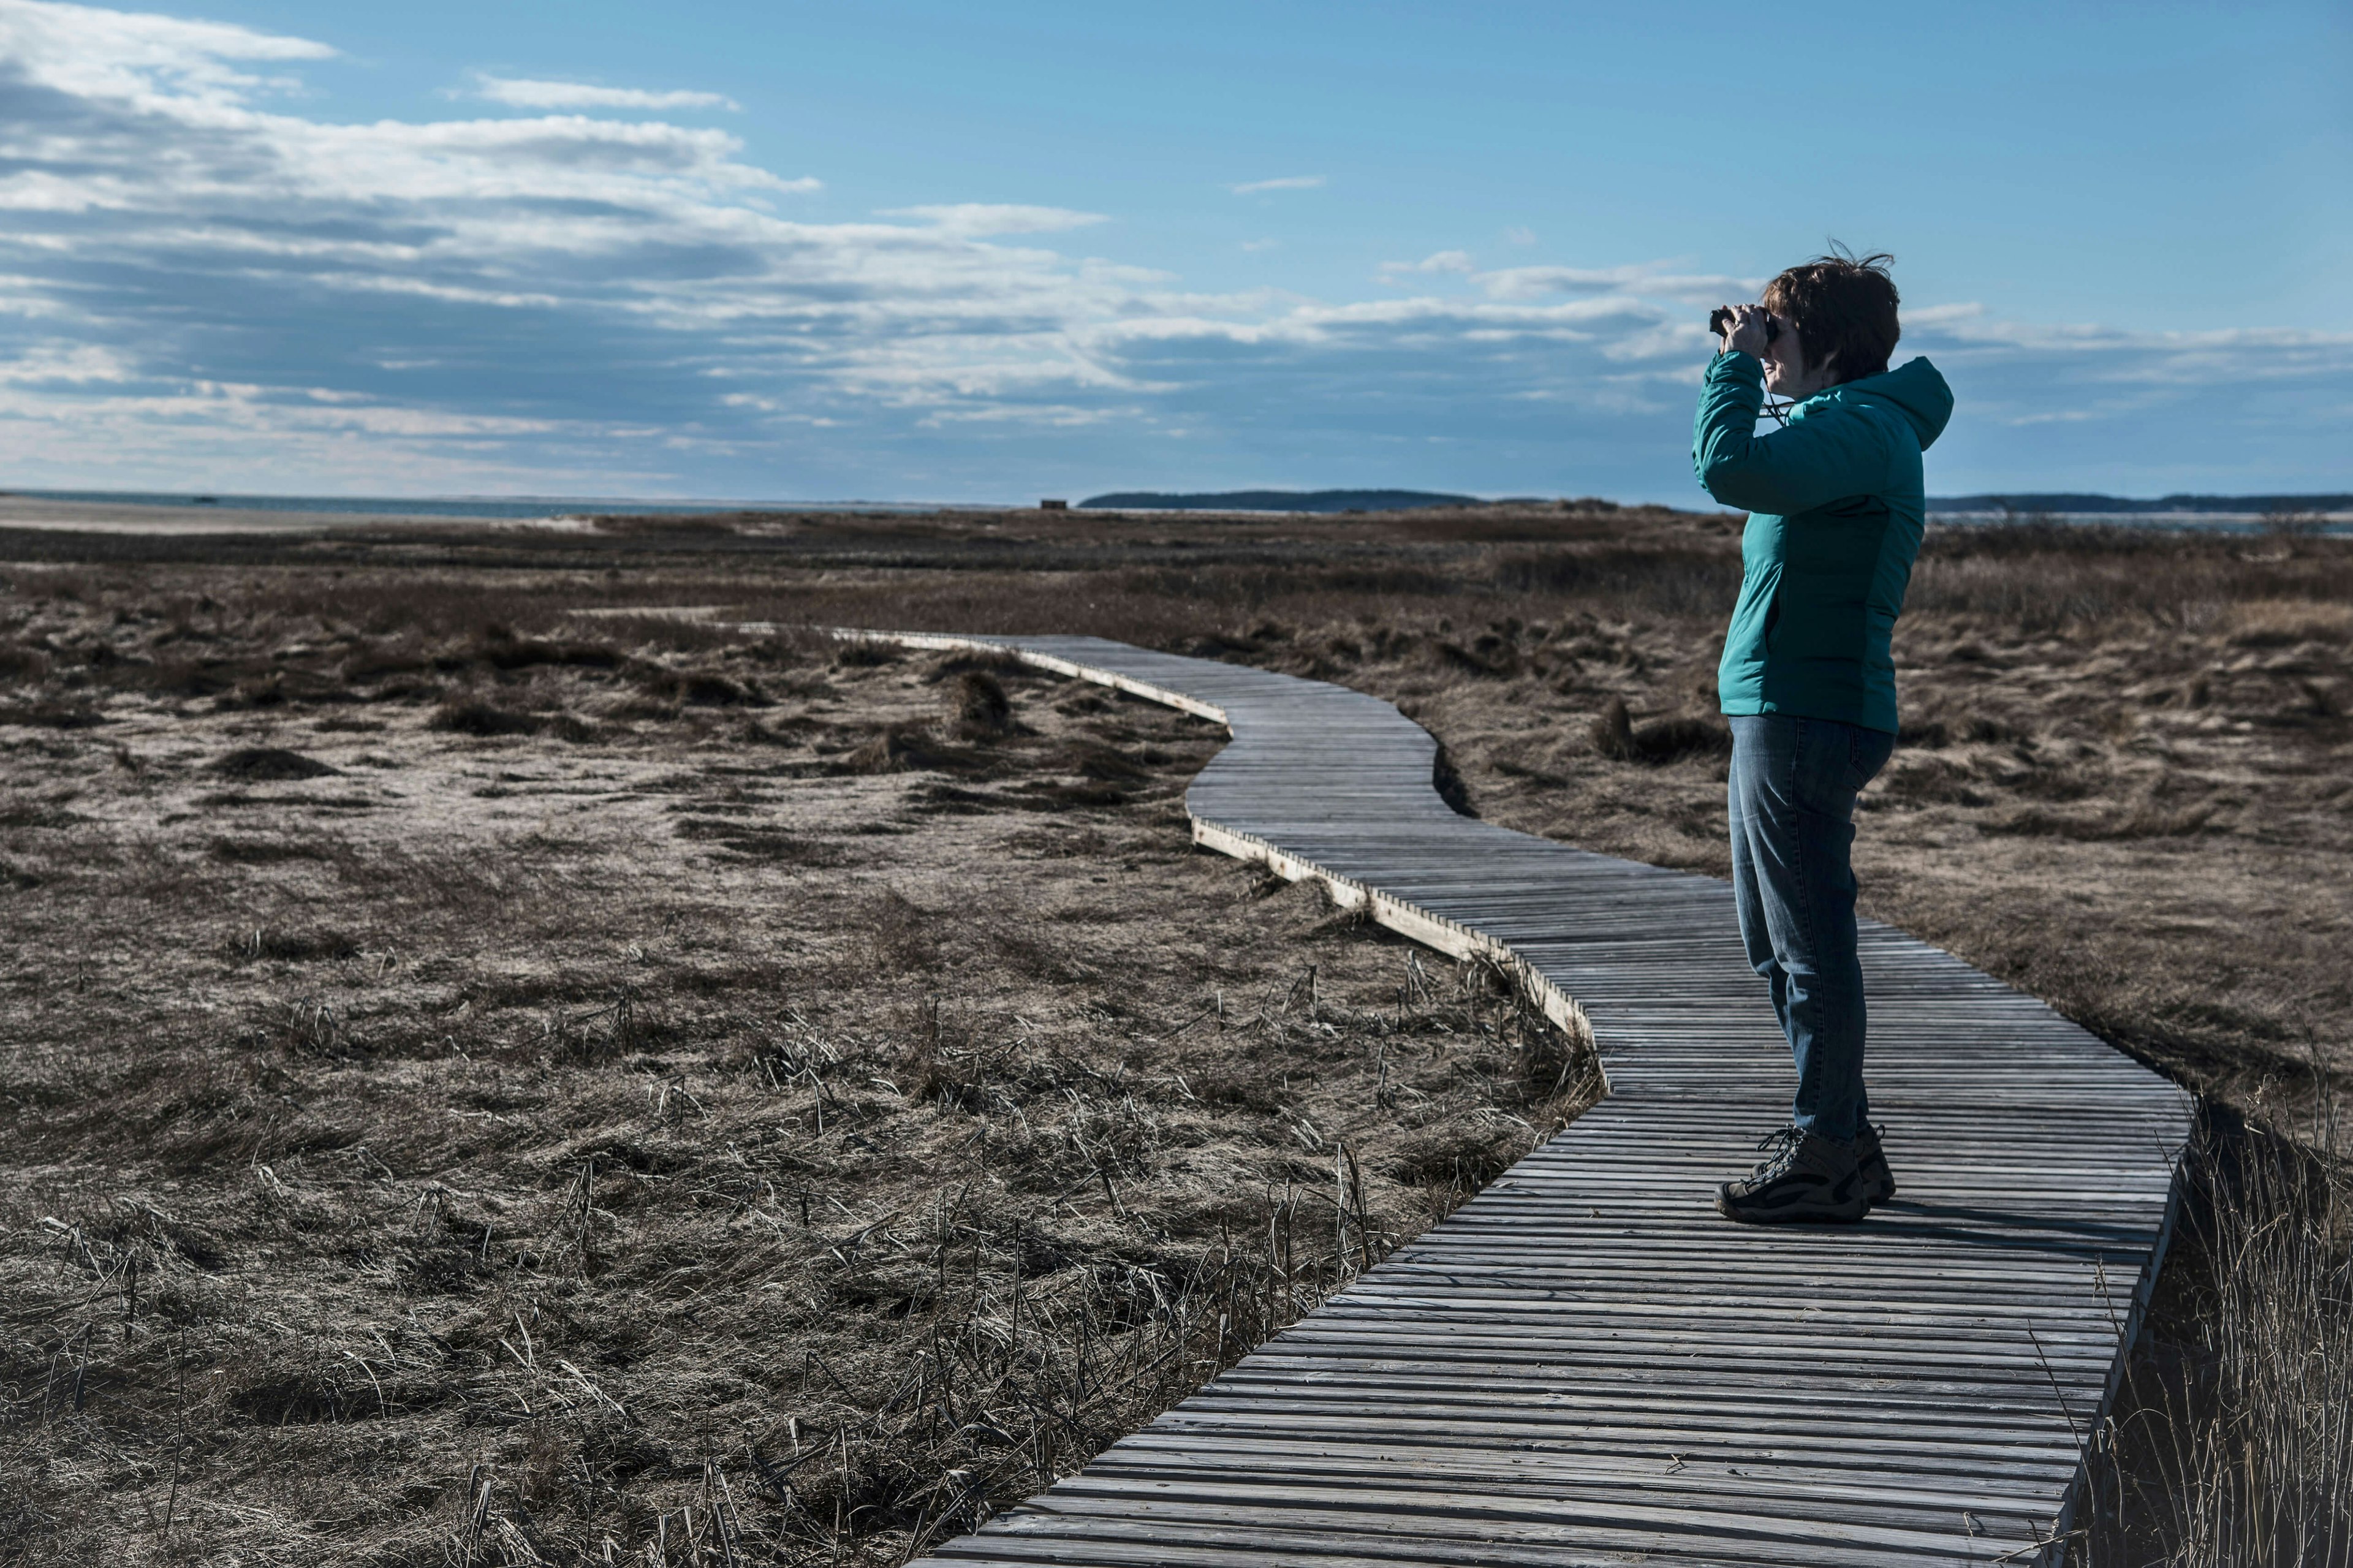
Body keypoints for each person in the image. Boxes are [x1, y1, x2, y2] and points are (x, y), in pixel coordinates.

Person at [1693, 249, 1953, 1225]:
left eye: (1778, 334)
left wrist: (1729, 369)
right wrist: (1759, 367)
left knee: (1808, 944)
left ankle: (1826, 1149)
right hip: (1783, 705)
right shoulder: (1840, 425)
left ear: (1830, 346)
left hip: (1806, 711)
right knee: (1775, 941)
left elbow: (1727, 465)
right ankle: (1847, 1139)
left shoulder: (1862, 428)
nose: (1763, 351)